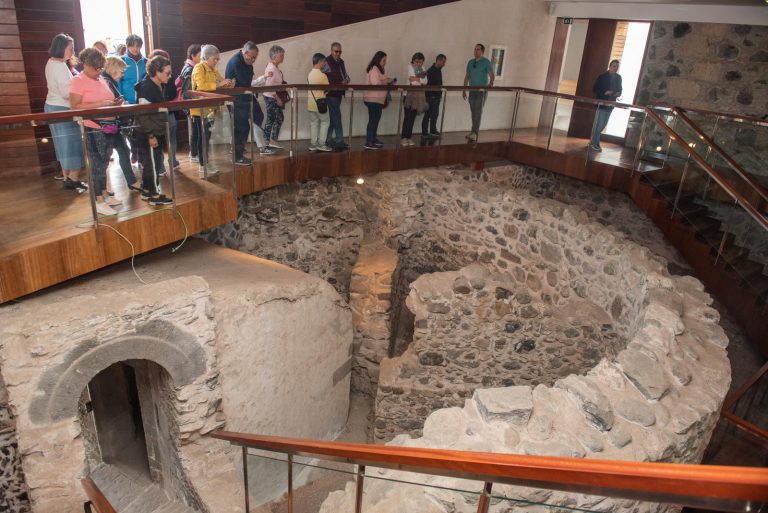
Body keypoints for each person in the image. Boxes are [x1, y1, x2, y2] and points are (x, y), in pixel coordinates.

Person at [69, 48, 124, 215]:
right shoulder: (78, 80)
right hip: (93, 128)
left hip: (108, 125)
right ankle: (98, 199)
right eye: (96, 68)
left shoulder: (101, 79)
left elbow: (105, 99)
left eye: (101, 68)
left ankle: (105, 195)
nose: (99, 71)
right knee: (96, 165)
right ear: (86, 64)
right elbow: (75, 106)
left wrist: (113, 104)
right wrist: (101, 104)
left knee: (104, 163)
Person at [44, 33, 86, 190]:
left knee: (62, 144)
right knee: (71, 143)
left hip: (51, 107)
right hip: (61, 108)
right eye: (71, 48)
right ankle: (73, 178)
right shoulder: (60, 66)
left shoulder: (51, 62)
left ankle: (67, 177)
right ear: (61, 48)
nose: (73, 52)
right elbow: (65, 93)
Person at [225, 41, 277, 165]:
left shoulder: (246, 62)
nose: (253, 60)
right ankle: (237, 156)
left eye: (255, 57)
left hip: (245, 96)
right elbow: (244, 82)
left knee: (258, 116)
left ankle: (255, 146)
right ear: (245, 52)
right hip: (236, 99)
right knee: (242, 127)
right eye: (252, 57)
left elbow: (248, 81)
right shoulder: (236, 62)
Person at [134, 55, 174, 206]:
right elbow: (142, 114)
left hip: (156, 130)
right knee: (152, 164)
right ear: (157, 71)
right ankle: (153, 195)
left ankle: (147, 190)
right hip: (149, 133)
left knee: (153, 163)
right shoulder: (146, 87)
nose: (169, 76)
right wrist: (150, 134)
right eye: (167, 73)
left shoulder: (158, 85)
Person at [191, 44, 234, 174]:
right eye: (215, 59)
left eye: (217, 59)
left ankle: (206, 163)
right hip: (200, 110)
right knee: (202, 138)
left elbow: (220, 83)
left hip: (210, 110)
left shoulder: (213, 69)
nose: (217, 61)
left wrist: (227, 83)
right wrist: (219, 84)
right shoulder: (199, 67)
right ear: (207, 57)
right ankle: (203, 165)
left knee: (206, 138)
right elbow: (201, 86)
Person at [101, 56, 140, 192]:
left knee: (123, 150)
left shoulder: (108, 81)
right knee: (105, 157)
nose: (122, 75)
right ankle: (102, 190)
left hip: (112, 124)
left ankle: (131, 181)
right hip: (107, 125)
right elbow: (108, 102)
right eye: (121, 71)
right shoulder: (106, 81)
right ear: (114, 69)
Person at [148, 48, 179, 171]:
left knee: (168, 138)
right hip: (158, 115)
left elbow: (173, 93)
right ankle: (164, 164)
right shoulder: (148, 84)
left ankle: (168, 162)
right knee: (161, 140)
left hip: (168, 112)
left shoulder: (168, 77)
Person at [462, 43, 494, 142]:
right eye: (475, 49)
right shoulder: (470, 62)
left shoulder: (486, 62)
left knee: (478, 112)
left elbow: (492, 75)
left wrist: (490, 84)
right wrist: (464, 89)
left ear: (482, 52)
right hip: (472, 91)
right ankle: (473, 131)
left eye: (478, 49)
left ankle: (475, 133)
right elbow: (467, 76)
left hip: (481, 91)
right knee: (473, 111)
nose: (476, 51)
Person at [363, 51, 393, 150]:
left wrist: (387, 80)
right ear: (378, 59)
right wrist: (387, 81)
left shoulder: (379, 69)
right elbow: (375, 83)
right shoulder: (374, 69)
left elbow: (380, 80)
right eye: (384, 60)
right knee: (373, 120)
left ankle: (373, 139)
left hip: (377, 99)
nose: (385, 62)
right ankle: (369, 141)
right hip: (373, 99)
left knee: (375, 120)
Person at [590, 59, 622, 152]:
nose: (615, 68)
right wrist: (605, 92)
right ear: (610, 66)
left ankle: (594, 142)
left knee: (603, 125)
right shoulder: (602, 76)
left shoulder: (619, 77)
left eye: (617, 66)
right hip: (602, 104)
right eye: (614, 66)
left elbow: (620, 89)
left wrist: (618, 93)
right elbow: (595, 89)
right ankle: (594, 144)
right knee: (599, 125)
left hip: (611, 104)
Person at [177, 44, 201, 162]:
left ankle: (194, 153)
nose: (202, 58)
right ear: (193, 56)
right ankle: (194, 153)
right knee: (195, 129)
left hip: (190, 103)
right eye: (200, 55)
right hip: (191, 104)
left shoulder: (188, 67)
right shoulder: (190, 69)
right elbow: (188, 90)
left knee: (195, 129)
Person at [323, 42, 350, 150]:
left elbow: (345, 75)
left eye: (340, 51)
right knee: (337, 116)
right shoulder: (327, 62)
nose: (338, 53)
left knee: (333, 117)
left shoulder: (341, 62)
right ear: (331, 51)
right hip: (331, 93)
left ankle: (328, 139)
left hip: (339, 92)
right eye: (336, 51)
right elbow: (323, 77)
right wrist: (339, 81)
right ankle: (339, 140)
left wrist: (347, 79)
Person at [400, 52, 427, 146]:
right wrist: (419, 79)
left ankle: (409, 137)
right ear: (413, 61)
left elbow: (425, 81)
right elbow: (411, 79)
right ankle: (404, 138)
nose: (419, 64)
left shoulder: (423, 68)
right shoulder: (410, 67)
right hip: (408, 95)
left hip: (418, 96)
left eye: (421, 62)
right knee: (407, 117)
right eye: (417, 62)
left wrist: (417, 79)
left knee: (412, 117)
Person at [263, 45, 286, 150]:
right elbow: (270, 86)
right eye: (281, 56)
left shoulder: (274, 66)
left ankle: (267, 141)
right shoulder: (272, 67)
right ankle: (272, 140)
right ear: (274, 56)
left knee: (271, 119)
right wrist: (278, 98)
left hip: (270, 96)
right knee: (278, 118)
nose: (283, 57)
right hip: (271, 97)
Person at [308, 53, 332, 152]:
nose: (325, 63)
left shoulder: (309, 74)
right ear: (320, 62)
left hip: (311, 103)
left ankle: (313, 144)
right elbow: (328, 89)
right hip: (320, 103)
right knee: (325, 122)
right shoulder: (323, 75)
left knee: (314, 123)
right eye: (324, 61)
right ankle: (322, 144)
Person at [118, 34, 147, 104]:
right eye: (132, 46)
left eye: (138, 46)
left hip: (144, 101)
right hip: (126, 102)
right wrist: (122, 99)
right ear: (127, 46)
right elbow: (118, 83)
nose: (135, 48)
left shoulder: (146, 61)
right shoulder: (121, 60)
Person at [422, 54, 446, 138]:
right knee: (428, 114)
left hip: (437, 96)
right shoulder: (431, 70)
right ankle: (424, 132)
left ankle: (433, 130)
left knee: (435, 114)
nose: (444, 64)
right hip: (430, 96)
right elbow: (427, 84)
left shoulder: (439, 70)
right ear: (438, 61)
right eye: (443, 62)